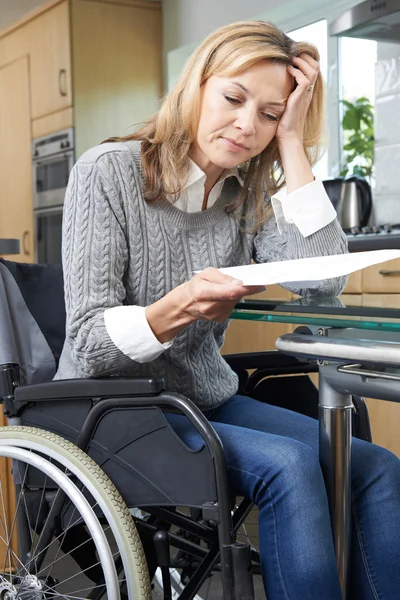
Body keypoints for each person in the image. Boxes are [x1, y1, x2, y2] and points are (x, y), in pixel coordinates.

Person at [55, 20, 400, 600]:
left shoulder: (246, 197)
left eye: (269, 113)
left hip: (203, 399)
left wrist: (292, 142)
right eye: (234, 99)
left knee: (377, 467)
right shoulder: (107, 172)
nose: (247, 126)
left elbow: (325, 278)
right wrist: (180, 305)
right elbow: (89, 340)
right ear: (196, 85)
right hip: (110, 406)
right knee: (290, 468)